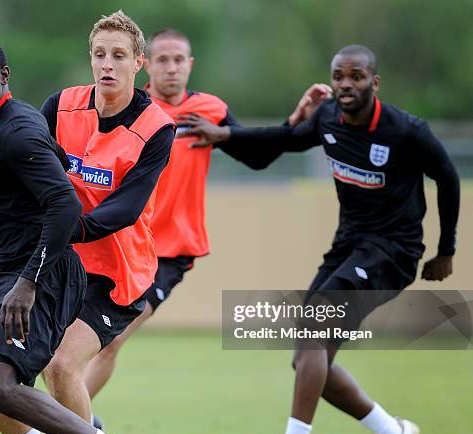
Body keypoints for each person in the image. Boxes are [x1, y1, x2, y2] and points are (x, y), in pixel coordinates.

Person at [179, 44, 460, 434]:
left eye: (357, 76)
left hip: (393, 252)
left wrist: (447, 250)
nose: (346, 84)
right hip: (348, 245)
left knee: (312, 330)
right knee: (308, 357)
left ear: (374, 82)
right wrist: (227, 135)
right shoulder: (328, 115)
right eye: (339, 76)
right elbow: (287, 139)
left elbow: (448, 177)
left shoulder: (405, 130)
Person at [0, 37, 162, 434]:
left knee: (4, 381)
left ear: (3, 75)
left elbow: (66, 205)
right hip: (6, 274)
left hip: (45, 274)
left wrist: (28, 282)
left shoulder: (19, 129)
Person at [82, 27, 333, 401]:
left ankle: (63, 432)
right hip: (120, 243)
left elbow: (257, 157)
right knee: (77, 339)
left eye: (179, 60)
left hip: (169, 252)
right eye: (163, 60)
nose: (171, 68)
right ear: (146, 64)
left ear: (190, 64)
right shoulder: (127, 108)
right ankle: (75, 421)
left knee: (111, 339)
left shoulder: (209, 110)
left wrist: (293, 123)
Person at [0, 12, 175, 434]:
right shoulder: (61, 105)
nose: (106, 65)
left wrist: (63, 226)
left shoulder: (156, 127)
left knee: (62, 365)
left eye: (118, 56)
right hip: (56, 262)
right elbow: (29, 172)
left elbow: (127, 209)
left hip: (117, 272)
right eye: (98, 55)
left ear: (139, 64)